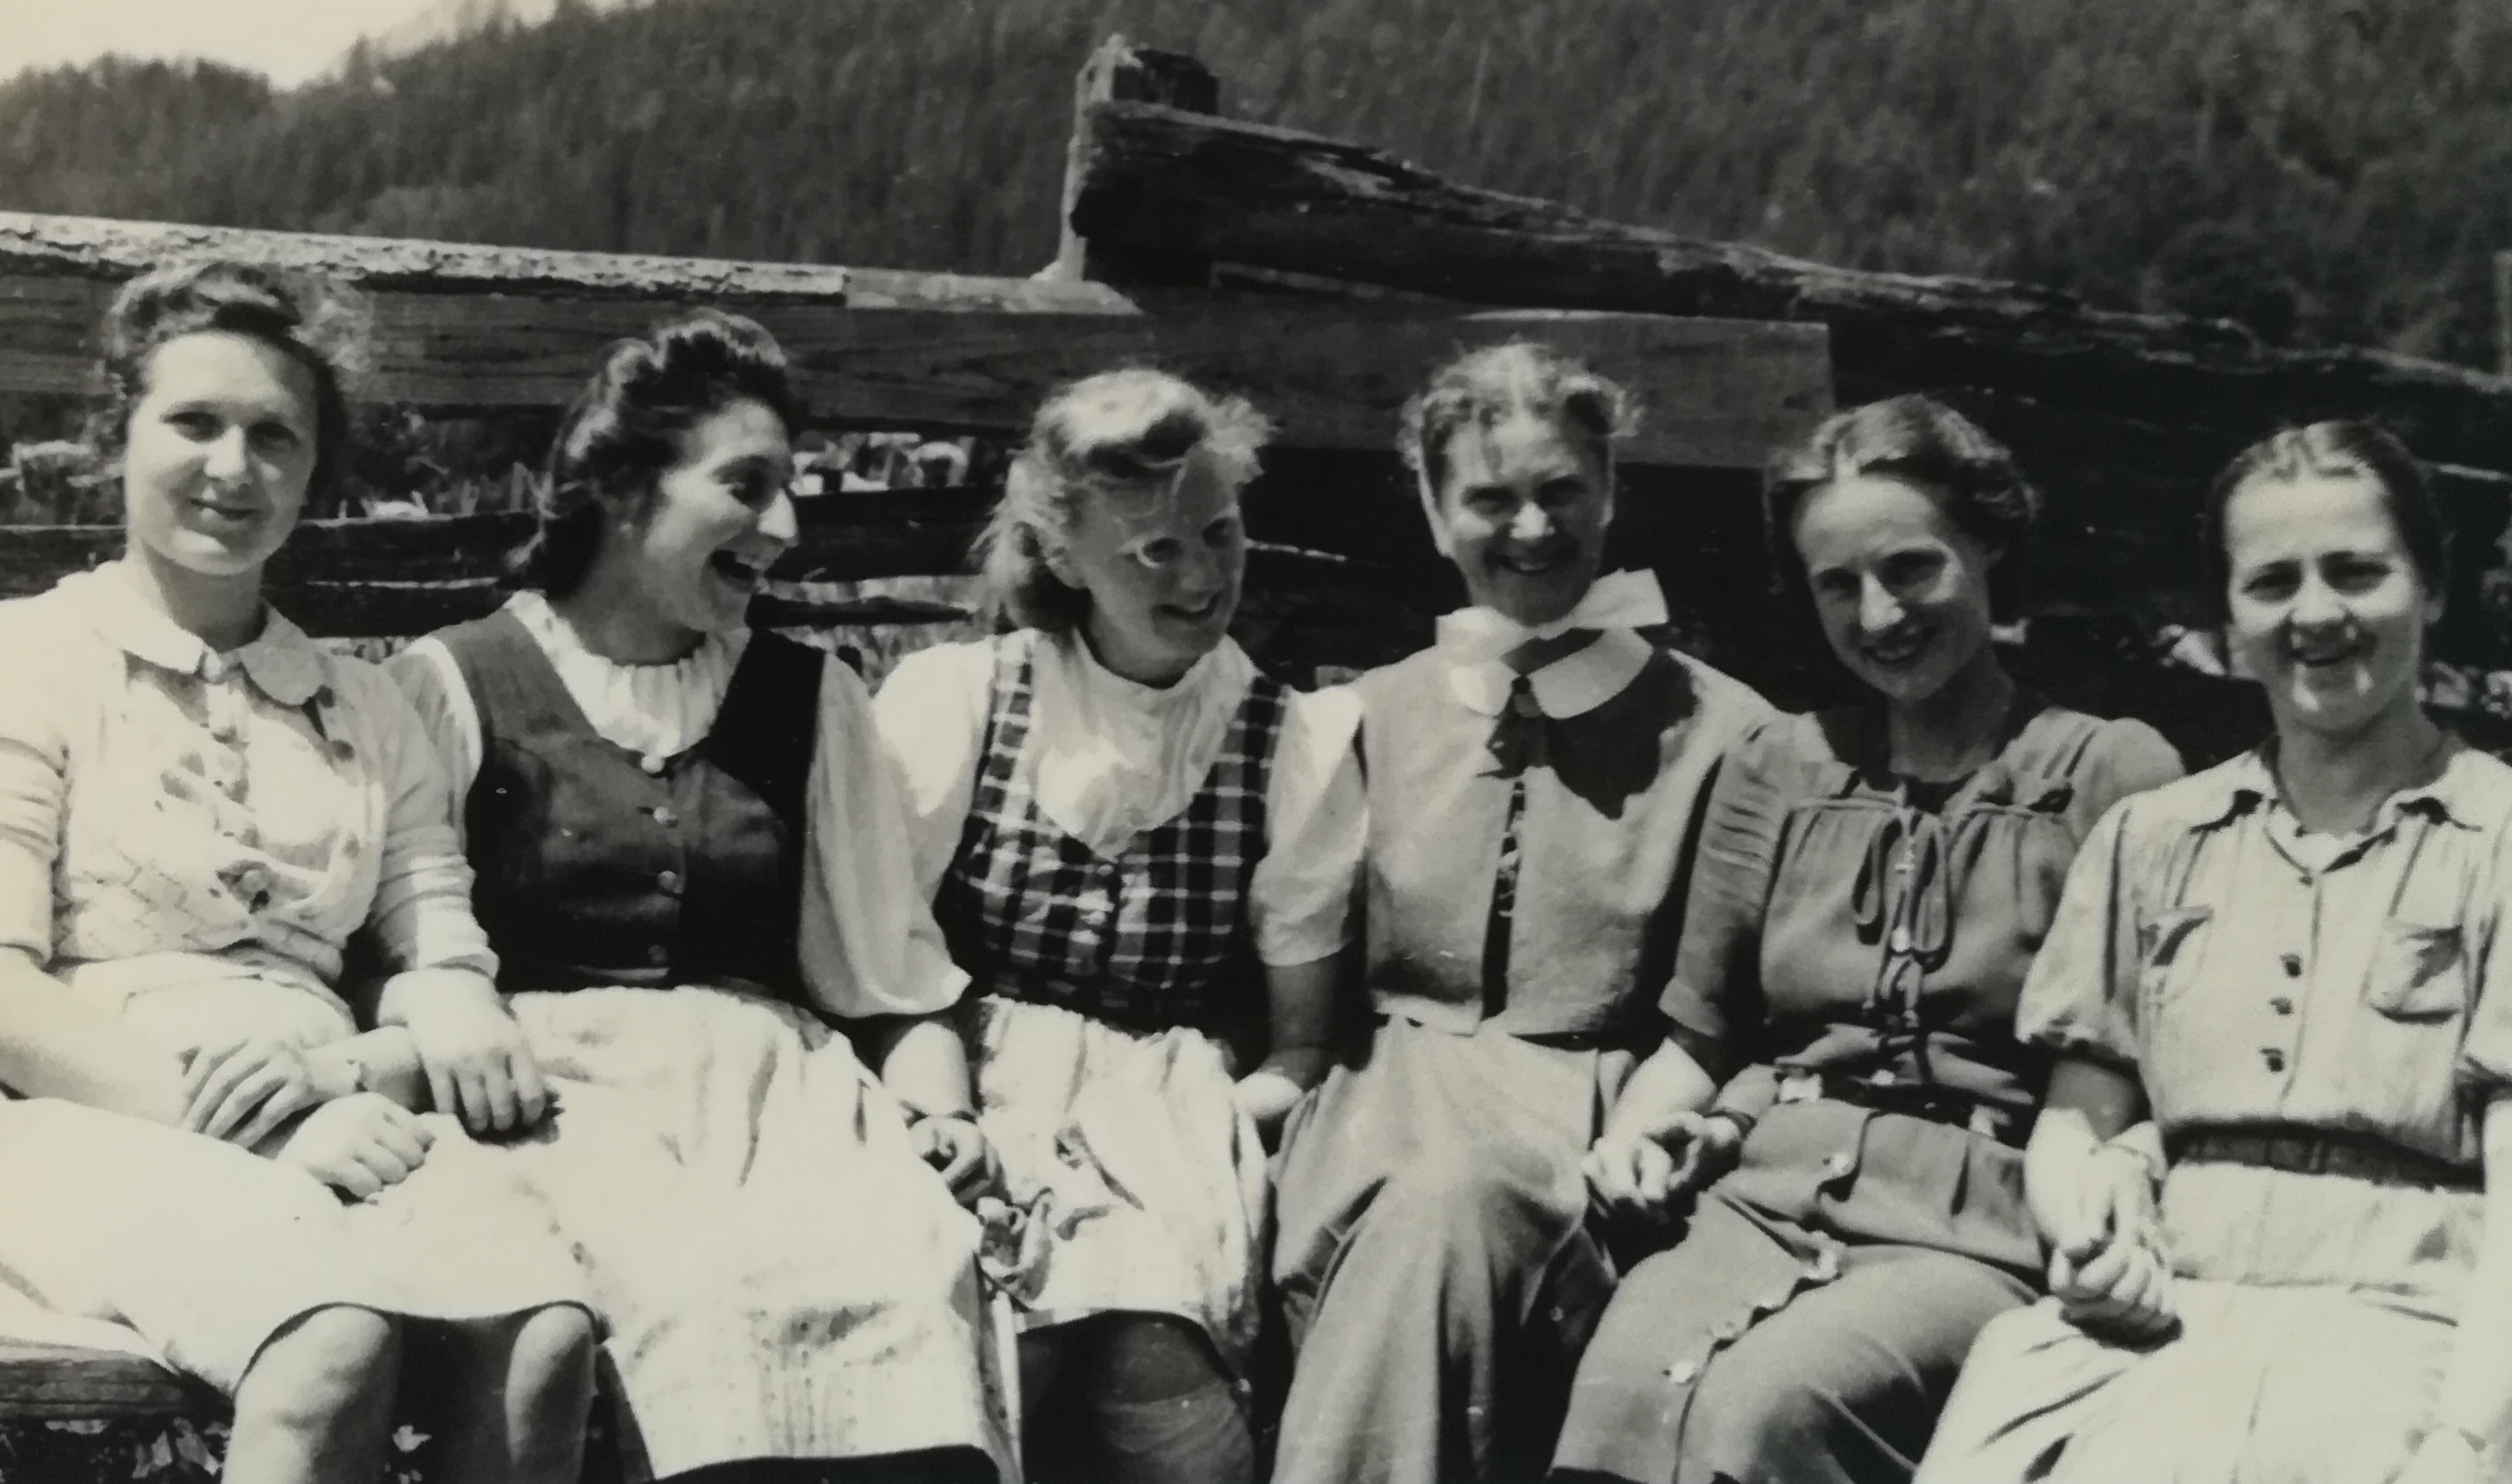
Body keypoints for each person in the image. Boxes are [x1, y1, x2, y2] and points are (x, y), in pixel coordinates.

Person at [0, 259, 596, 1484]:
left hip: (343, 1107)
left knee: (539, 1342)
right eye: (194, 422)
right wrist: (264, 1129)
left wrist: (346, 1072)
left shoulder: (367, 708)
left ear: (316, 474)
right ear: (115, 440)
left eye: (275, 436)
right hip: (77, 1116)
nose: (233, 467)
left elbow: (445, 972)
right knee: (332, 1342)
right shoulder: (31, 661)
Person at [389, 311, 1009, 1483]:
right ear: (626, 490)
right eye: (747, 485)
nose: (786, 527)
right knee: (697, 1295)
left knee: (901, 1271)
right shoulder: (457, 681)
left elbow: (892, 976)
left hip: (775, 1106)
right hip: (554, 1104)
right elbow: (402, 940)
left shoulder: (810, 699)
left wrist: (942, 1113)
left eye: (790, 489)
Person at [1547, 394, 2183, 1484]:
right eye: (1838, 584)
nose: (1879, 614)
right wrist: (1638, 1140)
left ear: (1988, 543)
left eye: (1911, 568)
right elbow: (1701, 1040)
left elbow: (2161, 1068)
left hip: (1981, 1231)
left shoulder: (2109, 774)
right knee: (1621, 1403)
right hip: (1758, 1198)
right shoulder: (1778, 767)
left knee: (1764, 1411)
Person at [1916, 422, 2512, 1484]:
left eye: (2357, 571)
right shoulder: (2154, 838)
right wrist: (2088, 1233)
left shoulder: (2499, 837)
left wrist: (2469, 1437)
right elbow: (2078, 1120)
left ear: (2429, 589)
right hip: (2161, 1313)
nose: (2315, 613)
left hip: (2408, 1319)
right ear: (2230, 619)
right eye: (2273, 582)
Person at [1265, 342, 1771, 1484]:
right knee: (1429, 1205)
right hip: (1374, 1116)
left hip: (1595, 1135)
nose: (1532, 529)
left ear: (1611, 493)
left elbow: (1731, 1012)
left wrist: (1654, 1135)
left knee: (1457, 1205)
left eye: (1562, 491)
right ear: (1435, 512)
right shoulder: (1361, 717)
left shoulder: (1731, 735)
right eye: (1491, 498)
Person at [874, 368, 1361, 1484]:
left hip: (1172, 1108)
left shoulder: (1291, 741)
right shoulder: (964, 700)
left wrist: (1184, 1128)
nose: (1202, 577)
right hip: (965, 1082)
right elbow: (881, 962)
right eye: (1155, 551)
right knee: (994, 1340)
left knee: (1152, 1349)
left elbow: (1301, 1047)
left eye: (1220, 532)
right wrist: (941, 1114)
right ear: (1064, 556)